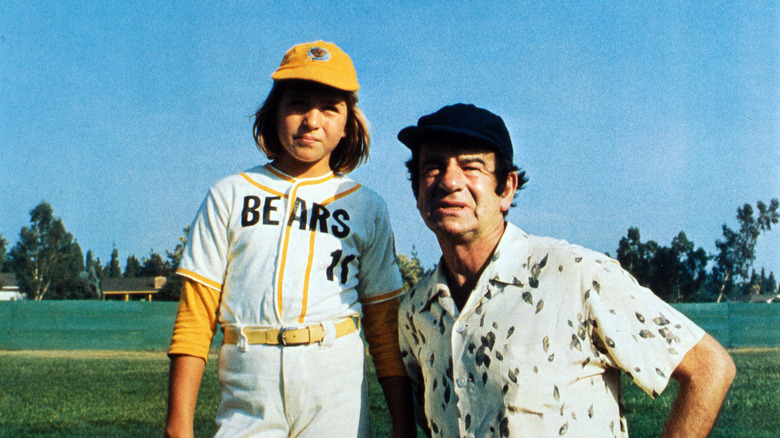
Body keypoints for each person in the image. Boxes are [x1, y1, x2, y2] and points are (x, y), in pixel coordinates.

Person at [397, 103, 736, 437]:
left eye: (471, 167)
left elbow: (709, 368)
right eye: (433, 167)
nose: (449, 181)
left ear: (507, 188)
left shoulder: (576, 276)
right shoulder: (416, 311)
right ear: (416, 190)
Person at [165, 41, 415, 438]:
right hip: (250, 375)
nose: (312, 121)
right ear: (274, 112)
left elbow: (383, 326)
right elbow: (196, 317)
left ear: (350, 122)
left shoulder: (367, 206)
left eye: (330, 108)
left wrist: (403, 426)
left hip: (334, 381)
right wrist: (178, 426)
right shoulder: (230, 193)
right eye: (297, 103)